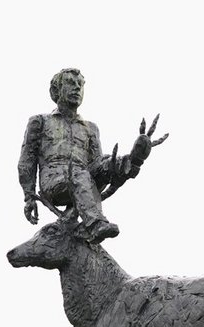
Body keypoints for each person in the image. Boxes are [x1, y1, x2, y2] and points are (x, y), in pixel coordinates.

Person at [18, 68, 130, 243]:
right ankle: (95, 224)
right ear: (55, 91)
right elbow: (27, 160)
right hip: (54, 183)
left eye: (80, 85)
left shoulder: (91, 128)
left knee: (109, 161)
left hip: (84, 179)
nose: (77, 88)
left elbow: (96, 163)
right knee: (80, 173)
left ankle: (133, 161)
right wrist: (29, 195)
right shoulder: (40, 121)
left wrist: (114, 164)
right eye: (70, 83)